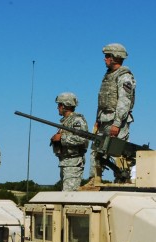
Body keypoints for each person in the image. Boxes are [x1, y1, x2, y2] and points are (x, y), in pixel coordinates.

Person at [90, 42, 136, 182]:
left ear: (115, 57)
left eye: (107, 56)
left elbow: (124, 102)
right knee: (97, 151)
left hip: (117, 122)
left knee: (118, 152)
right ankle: (95, 179)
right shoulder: (109, 76)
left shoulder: (124, 76)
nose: (105, 59)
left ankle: (123, 179)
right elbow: (103, 100)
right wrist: (97, 120)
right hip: (104, 119)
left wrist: (116, 123)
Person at [50, 92, 88, 191]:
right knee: (64, 195)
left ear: (65, 106)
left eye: (59, 105)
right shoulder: (66, 121)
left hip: (73, 163)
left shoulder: (77, 120)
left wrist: (61, 138)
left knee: (69, 195)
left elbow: (82, 138)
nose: (57, 107)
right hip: (65, 162)